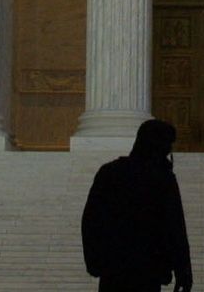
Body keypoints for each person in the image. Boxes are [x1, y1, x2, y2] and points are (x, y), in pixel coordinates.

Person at [82, 118, 193, 292]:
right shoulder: (162, 179)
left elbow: (91, 221)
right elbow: (174, 228)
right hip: (148, 270)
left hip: (114, 268)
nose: (169, 150)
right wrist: (183, 270)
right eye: (168, 145)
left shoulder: (110, 172)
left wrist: (94, 261)